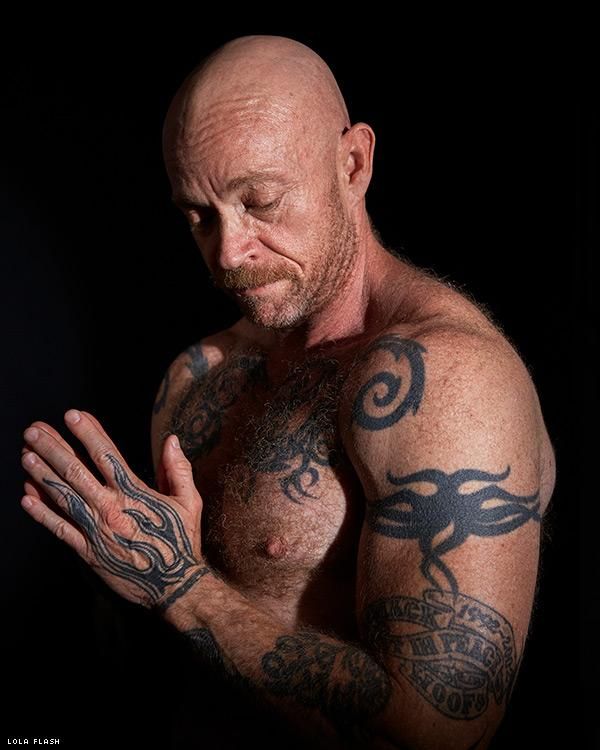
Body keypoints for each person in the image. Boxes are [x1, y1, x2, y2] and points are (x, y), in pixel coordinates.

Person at [20, 34, 556, 749]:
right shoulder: (199, 375)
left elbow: (438, 735)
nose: (228, 253)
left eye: (261, 201)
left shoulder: (451, 380)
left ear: (353, 164)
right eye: (198, 215)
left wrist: (181, 590)